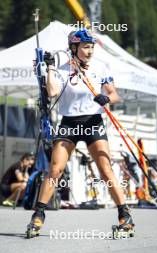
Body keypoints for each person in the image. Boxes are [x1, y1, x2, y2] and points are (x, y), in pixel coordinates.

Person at [27, 29, 134, 238]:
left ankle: (125, 215)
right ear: (74, 48)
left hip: (93, 121)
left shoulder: (100, 67)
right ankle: (38, 214)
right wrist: (49, 68)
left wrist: (107, 99)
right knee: (55, 170)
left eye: (92, 47)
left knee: (105, 171)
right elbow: (52, 92)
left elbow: (114, 95)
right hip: (70, 123)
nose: (90, 50)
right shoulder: (62, 69)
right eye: (86, 47)